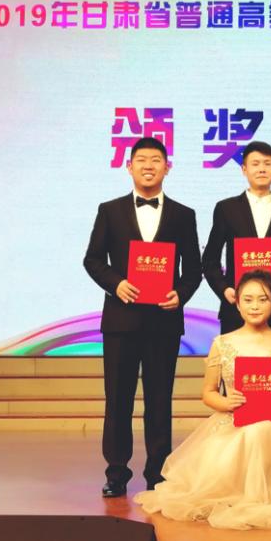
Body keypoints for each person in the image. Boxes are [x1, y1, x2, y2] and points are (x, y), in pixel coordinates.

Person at [83, 136, 202, 497]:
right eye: (141, 160)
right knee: (117, 400)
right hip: (121, 322)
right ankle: (116, 473)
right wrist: (116, 284)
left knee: (159, 401)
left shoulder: (183, 215)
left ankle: (157, 473)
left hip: (163, 323)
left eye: (156, 160)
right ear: (129, 166)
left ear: (168, 167)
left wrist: (180, 293)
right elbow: (93, 259)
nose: (148, 166)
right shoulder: (110, 210)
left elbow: (193, 269)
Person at [133, 270, 271, 529]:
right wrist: (226, 402)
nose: (255, 306)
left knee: (260, 432)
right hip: (231, 421)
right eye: (248, 300)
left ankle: (257, 495)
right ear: (237, 303)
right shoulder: (222, 343)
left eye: (263, 299)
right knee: (241, 442)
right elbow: (208, 393)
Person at [201, 141, 271, 334]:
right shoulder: (226, 209)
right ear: (244, 170)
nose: (262, 169)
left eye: (267, 163)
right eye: (255, 164)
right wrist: (224, 289)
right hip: (235, 308)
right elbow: (210, 259)